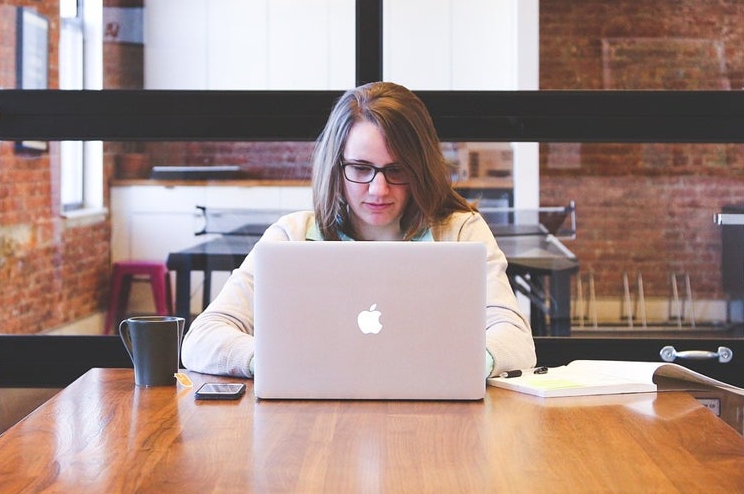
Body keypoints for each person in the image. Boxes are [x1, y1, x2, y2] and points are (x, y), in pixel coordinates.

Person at [180, 81, 537, 378]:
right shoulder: (291, 236)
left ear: (421, 168)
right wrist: (276, 362)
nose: (379, 189)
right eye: (361, 168)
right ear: (336, 166)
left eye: (397, 170)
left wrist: (455, 367)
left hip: (434, 419)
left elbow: (517, 340)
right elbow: (202, 339)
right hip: (312, 422)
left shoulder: (460, 232)